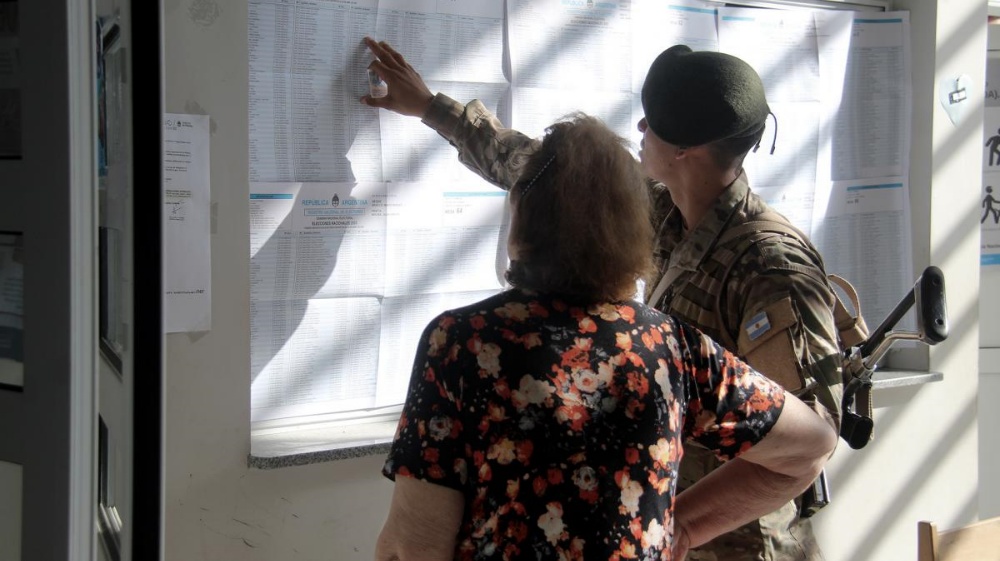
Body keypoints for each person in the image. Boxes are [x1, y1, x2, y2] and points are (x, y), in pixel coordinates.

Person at [362, 38, 847, 560]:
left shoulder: (770, 265)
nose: (639, 128)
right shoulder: (660, 211)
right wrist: (432, 108)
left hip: (742, 543)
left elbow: (812, 433)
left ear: (685, 150)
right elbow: (542, 173)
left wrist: (684, 524)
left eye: (651, 122)